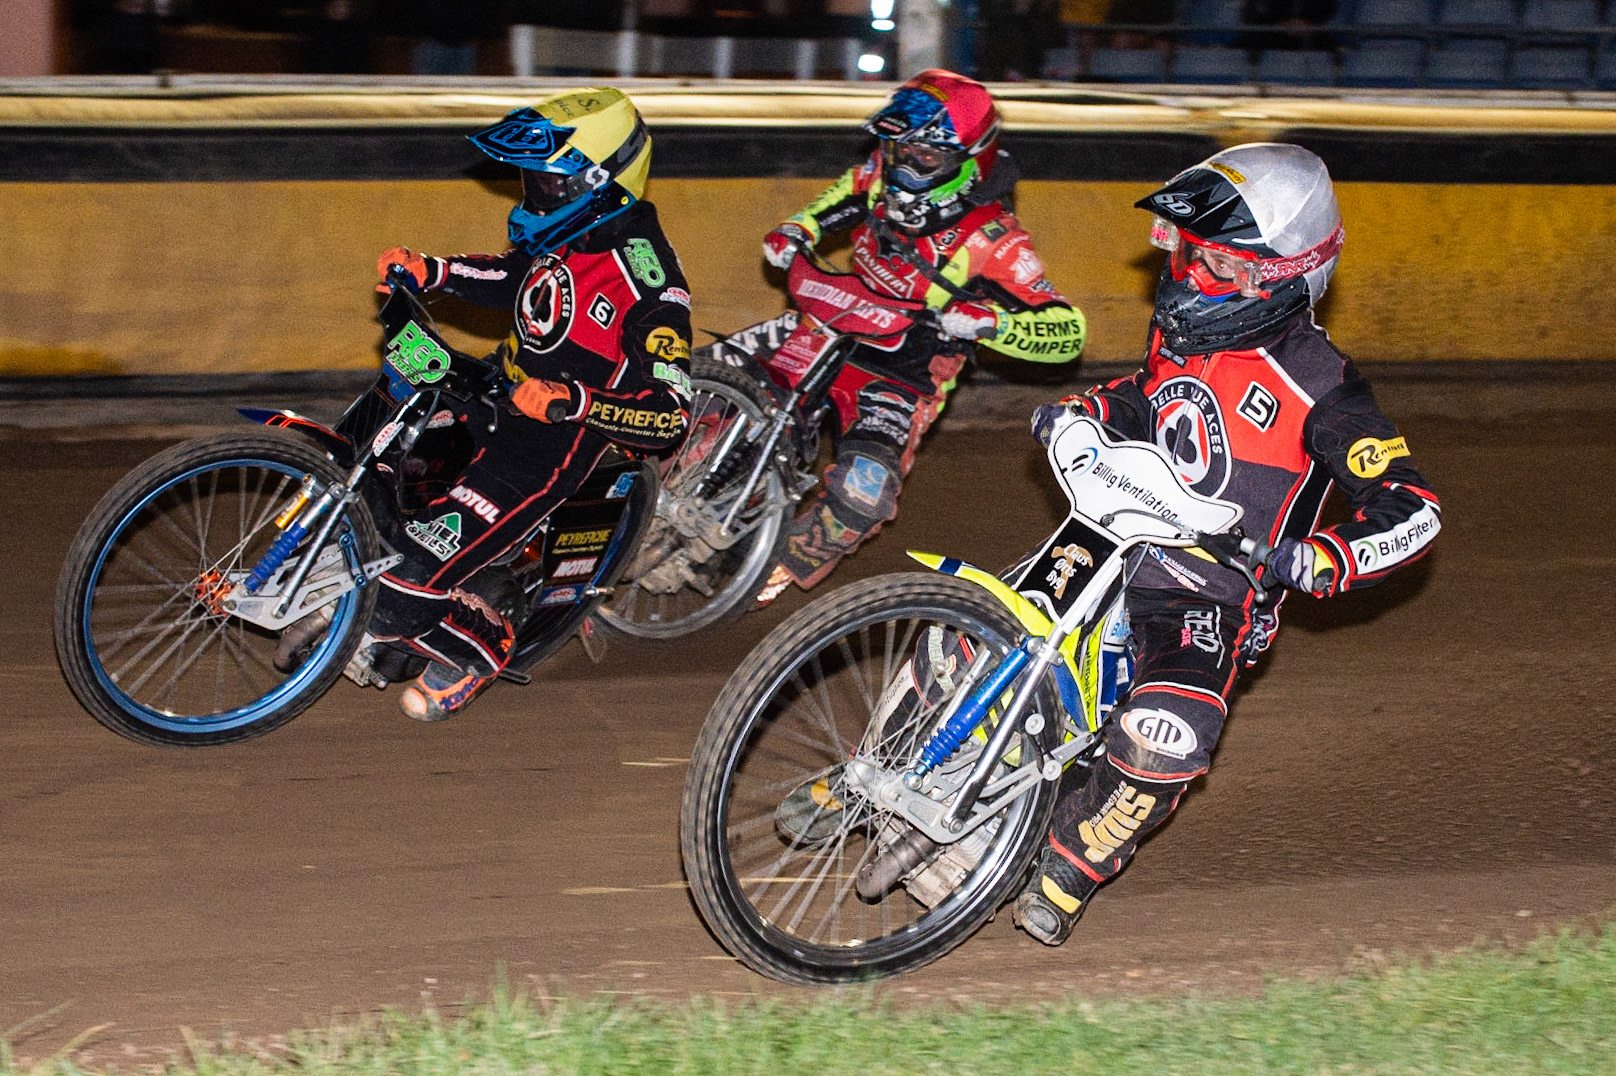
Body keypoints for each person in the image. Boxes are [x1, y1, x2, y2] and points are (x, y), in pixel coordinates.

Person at [1011, 143, 1442, 944]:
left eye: (1215, 263)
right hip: (1111, 542)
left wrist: (1323, 558)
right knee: (970, 623)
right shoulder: (1180, 333)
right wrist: (1088, 415)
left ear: (1275, 278)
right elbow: (1147, 401)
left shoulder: (1324, 386)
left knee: (1169, 735)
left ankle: (1073, 861)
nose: (1185, 275)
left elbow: (1413, 508)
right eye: (1189, 253)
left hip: (1206, 595)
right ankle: (872, 765)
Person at [367, 89, 692, 721]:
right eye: (531, 178)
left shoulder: (650, 283)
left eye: (550, 180)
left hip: (544, 447)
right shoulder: (576, 228)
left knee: (394, 598)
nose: (534, 192)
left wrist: (572, 402)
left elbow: (669, 414)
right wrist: (432, 271)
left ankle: (480, 647)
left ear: (601, 182)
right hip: (491, 392)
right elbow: (518, 277)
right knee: (374, 462)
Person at [749, 69, 1087, 605]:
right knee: (714, 388)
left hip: (903, 374)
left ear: (969, 160)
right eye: (897, 146)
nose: (904, 163)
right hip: (832, 319)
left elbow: (1068, 332)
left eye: (924, 156)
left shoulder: (997, 240)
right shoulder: (878, 174)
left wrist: (992, 324)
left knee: (864, 493)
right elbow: (842, 195)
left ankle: (772, 572)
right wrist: (799, 229)